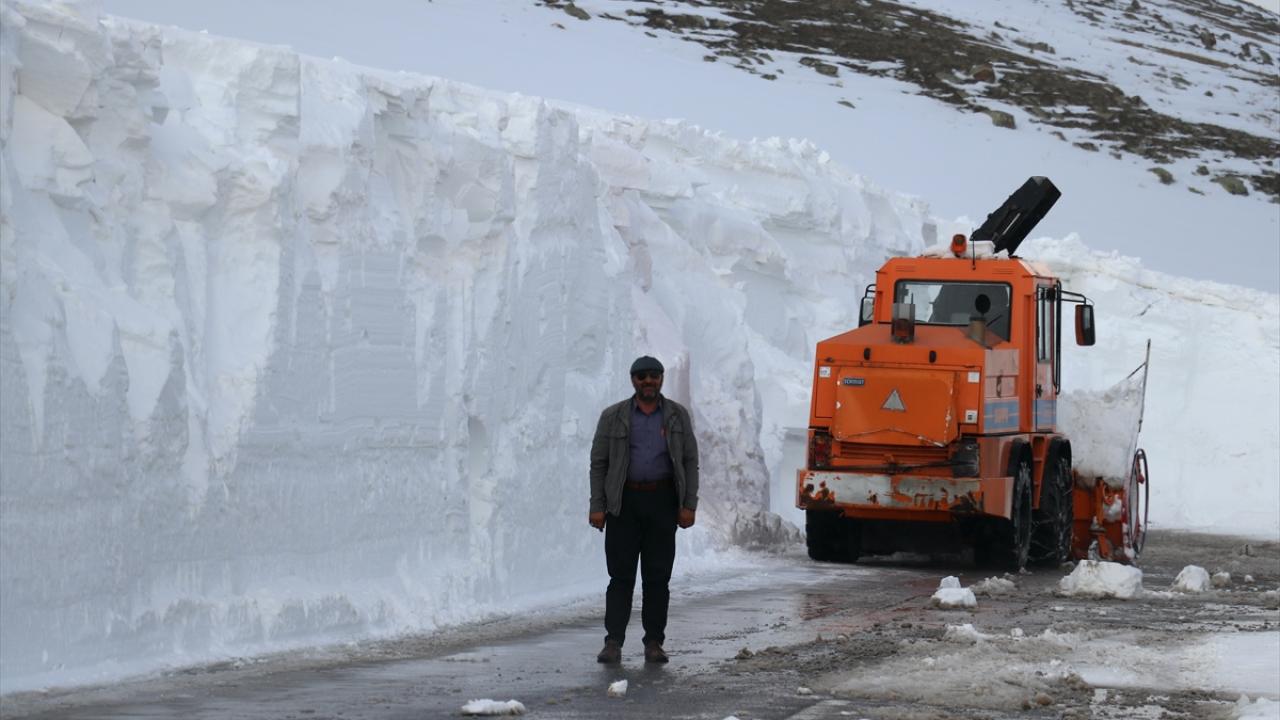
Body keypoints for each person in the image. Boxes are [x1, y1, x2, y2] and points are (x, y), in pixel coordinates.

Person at [589, 355, 699, 664]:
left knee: (657, 577)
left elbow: (690, 461)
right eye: (642, 377)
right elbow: (599, 464)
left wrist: (688, 504)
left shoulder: (678, 416)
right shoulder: (613, 416)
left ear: (661, 379)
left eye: (654, 376)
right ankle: (613, 642)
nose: (648, 381)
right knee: (620, 577)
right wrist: (597, 506)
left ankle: (654, 642)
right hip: (624, 505)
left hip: (663, 503)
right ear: (633, 380)